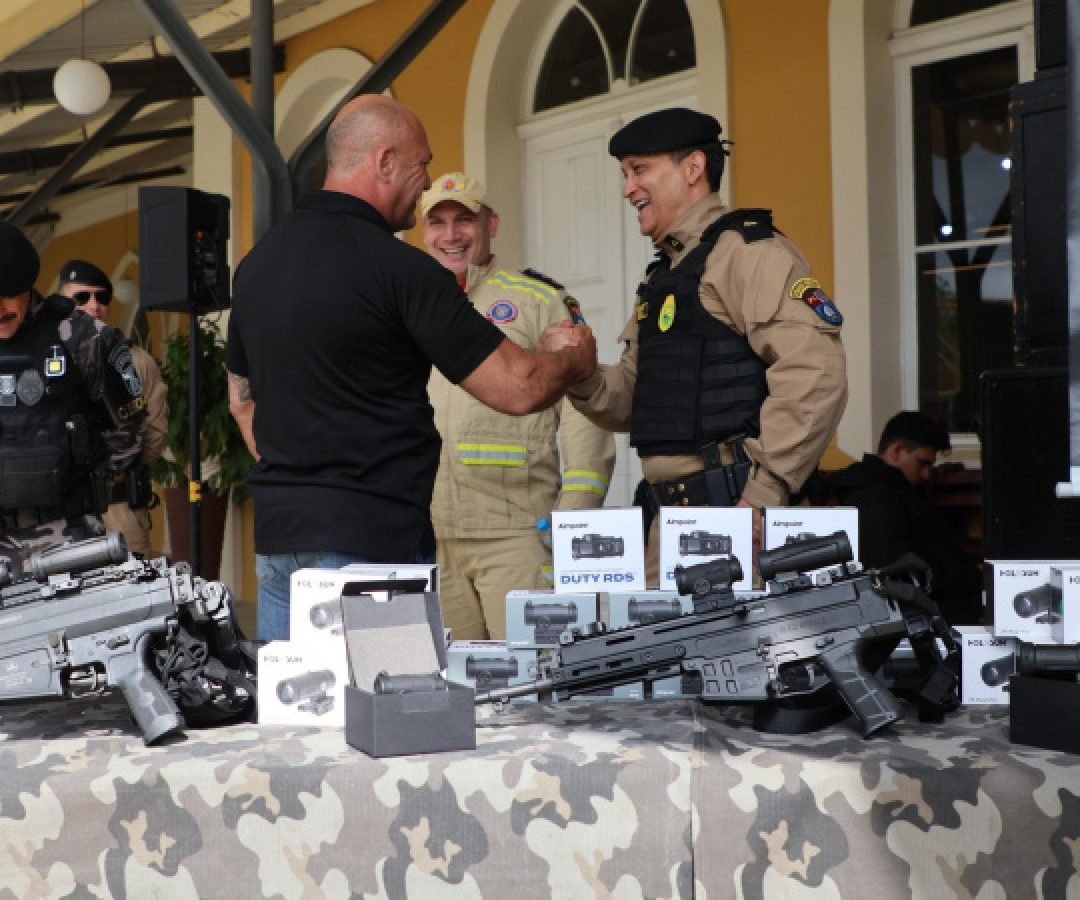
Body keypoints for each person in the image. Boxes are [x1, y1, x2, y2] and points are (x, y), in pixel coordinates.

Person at [226, 95, 597, 641]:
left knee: (295, 721)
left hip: (280, 547)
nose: (425, 184)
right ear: (384, 161)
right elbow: (517, 388)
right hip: (369, 549)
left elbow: (241, 398)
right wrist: (574, 357)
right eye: (422, 164)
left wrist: (297, 469)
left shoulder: (257, 265)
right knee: (384, 718)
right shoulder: (401, 270)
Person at [542, 107, 848, 582]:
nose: (627, 188)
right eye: (624, 174)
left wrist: (765, 495)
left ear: (693, 168)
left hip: (738, 522)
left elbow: (815, 372)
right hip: (669, 525)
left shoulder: (747, 254)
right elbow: (630, 398)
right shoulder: (666, 276)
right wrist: (579, 371)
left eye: (639, 170)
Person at [421, 172, 615, 640]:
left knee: (530, 682)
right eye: (438, 223)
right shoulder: (413, 302)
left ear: (492, 224)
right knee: (453, 687)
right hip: (432, 536)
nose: (450, 235)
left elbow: (583, 412)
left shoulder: (537, 301)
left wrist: (574, 516)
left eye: (464, 220)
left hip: (517, 536)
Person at [0, 222, 145, 577]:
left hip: (68, 537)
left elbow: (128, 431)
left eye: (7, 295)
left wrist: (81, 479)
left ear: (28, 287)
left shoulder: (83, 337)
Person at [812, 411, 983, 623]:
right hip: (925, 617)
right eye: (923, 463)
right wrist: (971, 574)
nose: (927, 473)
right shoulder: (873, 497)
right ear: (897, 451)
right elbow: (897, 570)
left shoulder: (891, 491)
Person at [57, 260, 168, 557]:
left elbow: (154, 439)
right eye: (81, 298)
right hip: (55, 517)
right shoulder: (44, 358)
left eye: (102, 297)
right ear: (61, 300)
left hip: (118, 511)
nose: (94, 306)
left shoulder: (136, 361)